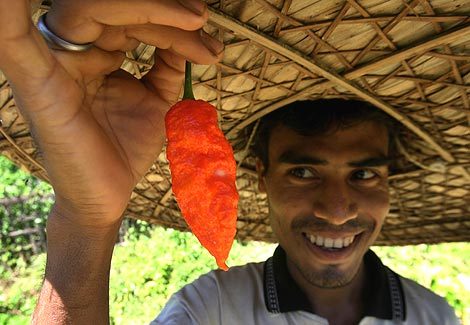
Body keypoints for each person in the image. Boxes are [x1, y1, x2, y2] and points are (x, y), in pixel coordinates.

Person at [0, 1, 459, 324]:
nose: (337, 210)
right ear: (260, 178)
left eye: (364, 173)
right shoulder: (208, 311)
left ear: (390, 183)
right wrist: (86, 218)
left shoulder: (436, 317)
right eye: (302, 171)